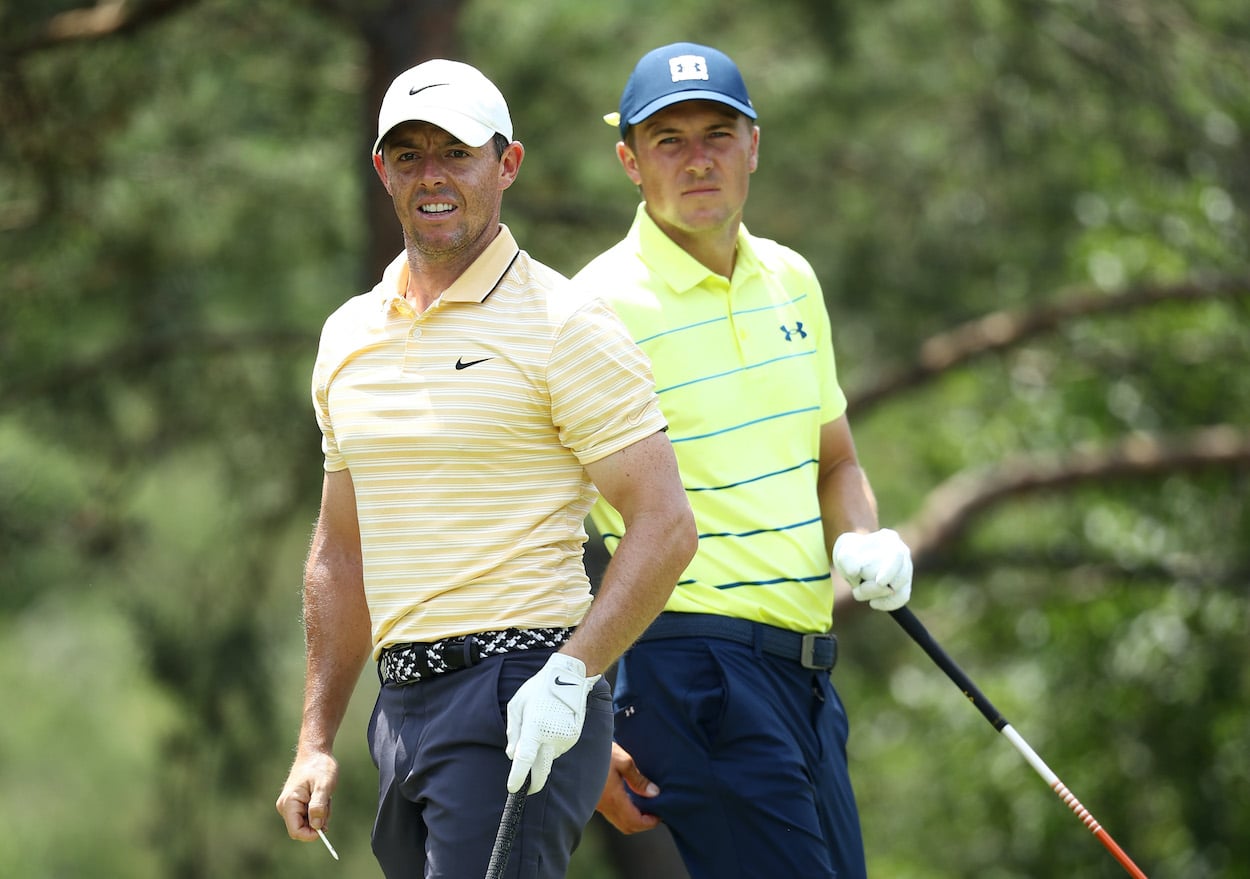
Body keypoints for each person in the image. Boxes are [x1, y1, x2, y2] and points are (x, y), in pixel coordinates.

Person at [275, 58, 697, 879]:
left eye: (457, 153)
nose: (432, 176)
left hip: (521, 688)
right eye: (410, 155)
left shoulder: (565, 321)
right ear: (382, 171)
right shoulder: (348, 336)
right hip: (400, 711)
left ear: (506, 164)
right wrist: (315, 741)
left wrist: (572, 676)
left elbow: (666, 524)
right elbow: (341, 551)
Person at [574, 43, 915, 879]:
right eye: (669, 140)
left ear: (754, 146)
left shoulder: (793, 281)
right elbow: (540, 528)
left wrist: (862, 539)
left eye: (718, 134)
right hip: (688, 667)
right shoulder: (593, 308)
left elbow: (835, 458)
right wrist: (585, 713)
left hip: (805, 671)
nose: (698, 159)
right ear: (630, 161)